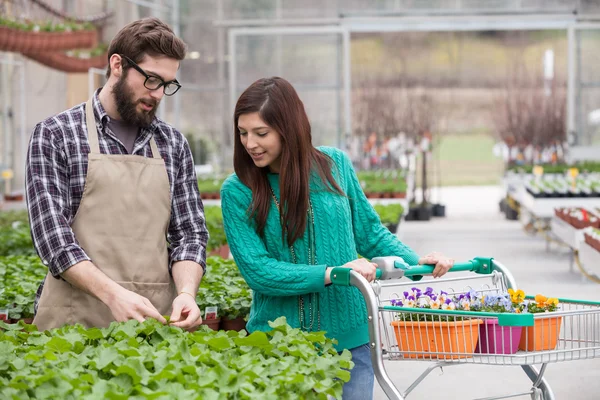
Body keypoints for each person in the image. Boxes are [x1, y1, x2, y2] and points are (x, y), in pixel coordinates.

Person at [220, 77, 455, 400]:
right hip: (278, 346)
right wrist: (333, 273)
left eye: (261, 133)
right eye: (243, 133)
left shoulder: (334, 165)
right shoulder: (237, 191)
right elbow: (258, 271)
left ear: (290, 128)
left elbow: (369, 231)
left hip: (352, 341)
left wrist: (418, 261)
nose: (250, 144)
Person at [26, 17, 208, 332]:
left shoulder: (172, 143)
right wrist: (114, 295)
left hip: (155, 324)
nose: (159, 94)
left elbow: (189, 234)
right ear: (117, 65)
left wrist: (187, 294)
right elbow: (53, 240)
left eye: (167, 85)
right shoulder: (56, 134)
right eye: (151, 79)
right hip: (73, 326)